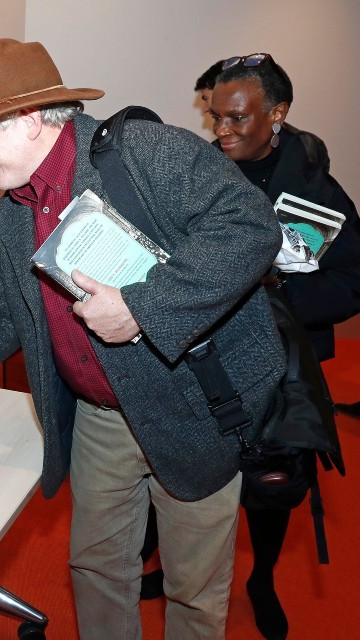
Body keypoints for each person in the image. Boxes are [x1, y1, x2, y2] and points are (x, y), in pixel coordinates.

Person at [0, 39, 286, 639]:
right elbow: (1, 314)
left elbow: (252, 228)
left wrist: (141, 307)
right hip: (100, 416)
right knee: (96, 568)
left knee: (193, 590)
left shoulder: (144, 152)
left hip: (193, 409)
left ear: (28, 119)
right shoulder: (13, 214)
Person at [210, 54, 360, 640]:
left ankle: (262, 578)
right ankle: (171, 561)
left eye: (237, 119)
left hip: (283, 367)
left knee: (272, 485)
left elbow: (353, 282)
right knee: (185, 471)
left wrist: (278, 301)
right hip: (204, 360)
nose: (222, 131)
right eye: (215, 117)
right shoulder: (204, 174)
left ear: (277, 114)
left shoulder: (317, 190)